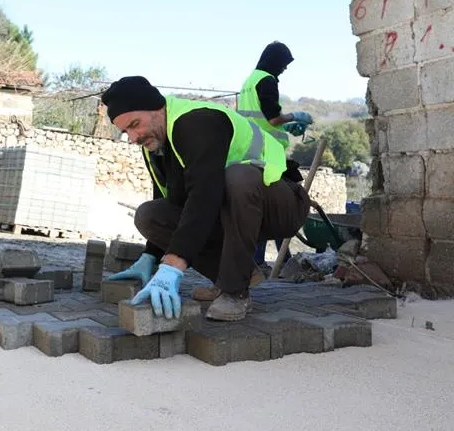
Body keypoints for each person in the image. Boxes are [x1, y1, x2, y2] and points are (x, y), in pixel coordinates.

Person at [101, 76, 310, 322]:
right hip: (232, 209)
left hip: (280, 203)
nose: (133, 137)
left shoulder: (197, 122)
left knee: (237, 176)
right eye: (126, 131)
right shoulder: (156, 144)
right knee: (149, 215)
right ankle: (232, 276)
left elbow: (204, 196)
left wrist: (172, 265)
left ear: (157, 108)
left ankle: (235, 291)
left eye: (135, 124)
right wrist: (151, 256)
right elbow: (168, 201)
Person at [238, 41, 313, 272]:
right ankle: (268, 262)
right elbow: (271, 119)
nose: (285, 69)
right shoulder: (267, 81)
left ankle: (271, 260)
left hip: (250, 150)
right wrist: (294, 116)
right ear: (276, 61)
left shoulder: (249, 81)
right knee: (280, 206)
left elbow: (259, 118)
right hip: (267, 154)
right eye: (284, 64)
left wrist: (286, 128)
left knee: (263, 207)